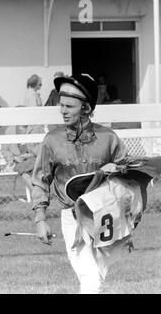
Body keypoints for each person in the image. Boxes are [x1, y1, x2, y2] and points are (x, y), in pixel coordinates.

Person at [31, 73, 128, 294]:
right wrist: (40, 219)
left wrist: (118, 171)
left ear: (85, 108)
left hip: (105, 215)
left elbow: (127, 172)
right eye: (60, 105)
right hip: (71, 217)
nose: (62, 111)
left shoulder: (109, 138)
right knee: (89, 273)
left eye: (69, 106)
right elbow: (40, 180)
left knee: (93, 275)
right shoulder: (52, 140)